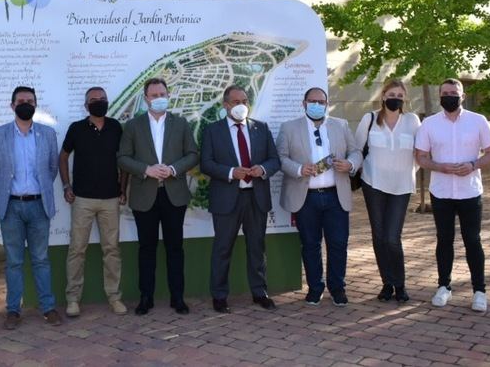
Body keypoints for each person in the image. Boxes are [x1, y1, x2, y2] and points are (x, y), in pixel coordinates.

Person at [415, 78, 490, 312]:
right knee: (444, 240)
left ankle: (479, 291)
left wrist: (473, 164)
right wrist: (439, 167)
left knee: (473, 240)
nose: (449, 96)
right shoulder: (429, 124)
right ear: (440, 95)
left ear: (462, 96)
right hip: (441, 192)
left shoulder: (478, 121)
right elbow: (420, 156)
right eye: (445, 92)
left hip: (470, 191)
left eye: (454, 92)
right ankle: (444, 286)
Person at [117, 78, 199, 315]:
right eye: (153, 95)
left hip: (174, 194)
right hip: (145, 195)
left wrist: (173, 169)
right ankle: (146, 298)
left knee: (175, 248)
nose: (158, 98)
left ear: (169, 94)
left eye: (162, 93)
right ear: (145, 99)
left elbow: (192, 154)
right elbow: (122, 157)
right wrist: (146, 169)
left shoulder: (181, 124)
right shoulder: (133, 126)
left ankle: (178, 297)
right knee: (147, 248)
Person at [276, 87, 362, 307]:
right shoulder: (289, 127)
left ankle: (337, 288)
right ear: (304, 103)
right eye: (312, 101)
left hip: (335, 196)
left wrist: (350, 164)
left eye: (321, 101)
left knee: (338, 244)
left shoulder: (340, 125)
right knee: (310, 244)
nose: (317, 104)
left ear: (327, 103)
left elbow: (356, 152)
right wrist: (298, 169)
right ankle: (315, 288)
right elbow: (281, 157)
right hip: (306, 197)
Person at [0, 86, 62, 328]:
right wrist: (9, 192)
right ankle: (13, 310)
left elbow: (51, 169)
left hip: (39, 205)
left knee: (41, 259)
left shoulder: (48, 134)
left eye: (30, 100)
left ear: (35, 104)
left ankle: (48, 307)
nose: (25, 104)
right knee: (14, 262)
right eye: (21, 101)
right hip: (12, 207)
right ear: (12, 106)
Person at [200, 85, 281, 313]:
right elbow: (206, 163)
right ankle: (219, 296)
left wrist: (263, 169)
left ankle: (259, 292)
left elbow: (275, 160)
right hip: (227, 199)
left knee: (257, 247)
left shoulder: (261, 129)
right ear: (225, 105)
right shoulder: (212, 131)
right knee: (222, 248)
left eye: (244, 101)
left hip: (256, 198)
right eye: (236, 102)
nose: (241, 106)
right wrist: (230, 172)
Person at [60, 87, 128, 317]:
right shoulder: (76, 128)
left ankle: (114, 297)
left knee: (112, 250)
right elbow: (63, 156)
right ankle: (72, 299)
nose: (98, 102)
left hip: (110, 199)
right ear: (86, 104)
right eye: (94, 100)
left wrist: (123, 188)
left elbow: (124, 160)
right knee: (77, 249)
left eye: (102, 99)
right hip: (82, 199)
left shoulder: (116, 127)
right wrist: (66, 186)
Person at [355, 79, 420, 303]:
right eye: (392, 94)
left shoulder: (412, 121)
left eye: (400, 96)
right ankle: (387, 284)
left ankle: (400, 284)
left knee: (393, 237)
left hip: (401, 186)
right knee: (379, 236)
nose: (396, 99)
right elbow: (357, 149)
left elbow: (419, 154)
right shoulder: (370, 119)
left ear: (405, 99)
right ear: (383, 96)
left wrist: (406, 171)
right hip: (373, 184)